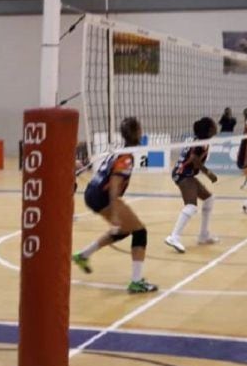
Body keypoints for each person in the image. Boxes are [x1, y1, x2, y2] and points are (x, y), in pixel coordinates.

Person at [73, 117, 156, 294]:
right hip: (103, 196)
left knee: (124, 230)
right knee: (140, 232)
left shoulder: (120, 151)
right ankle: (136, 282)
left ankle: (83, 255)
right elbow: (115, 183)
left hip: (92, 193)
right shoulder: (126, 157)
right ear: (137, 133)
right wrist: (116, 212)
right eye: (140, 129)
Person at [165, 117, 219, 253]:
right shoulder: (201, 143)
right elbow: (194, 159)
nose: (216, 126)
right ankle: (174, 237)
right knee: (191, 206)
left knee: (208, 199)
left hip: (186, 173)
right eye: (213, 125)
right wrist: (208, 173)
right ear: (209, 130)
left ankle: (203, 235)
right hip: (183, 174)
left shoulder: (199, 140)